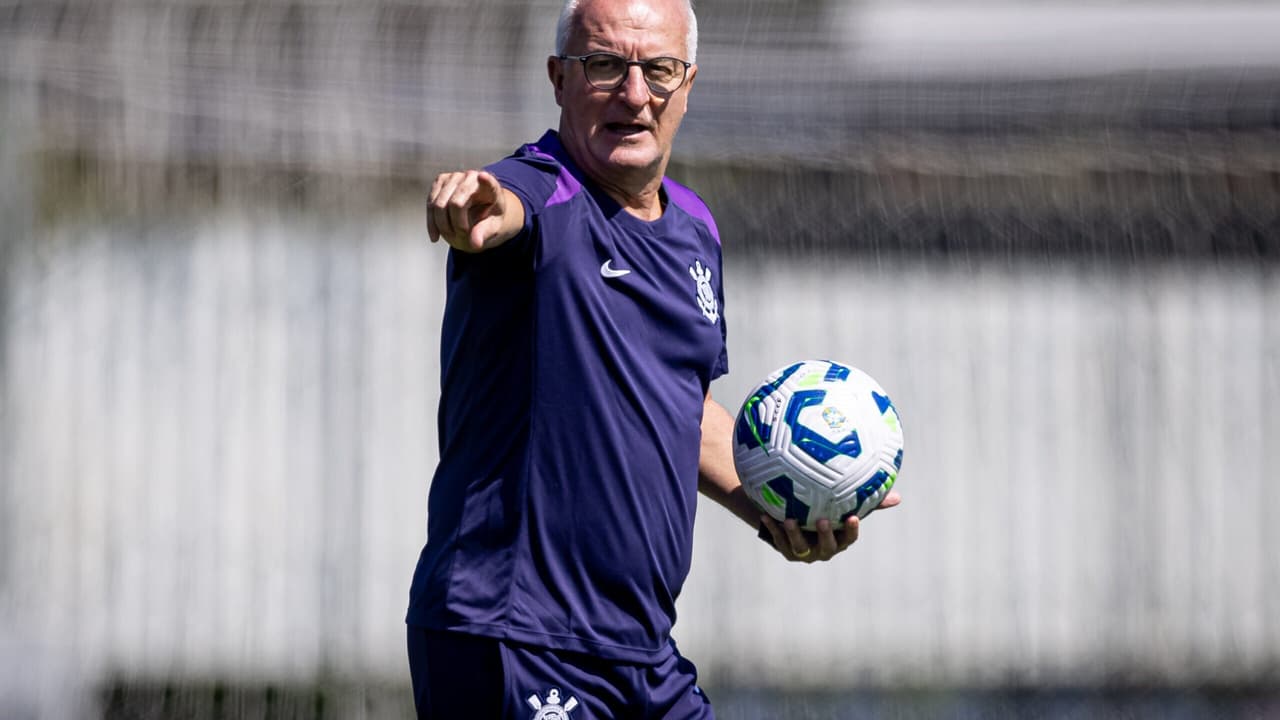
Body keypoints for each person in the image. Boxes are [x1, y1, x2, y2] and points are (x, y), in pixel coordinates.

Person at [407, 0, 900, 716]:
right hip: (514, 637)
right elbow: (505, 204)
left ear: (687, 84)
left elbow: (681, 411)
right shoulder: (542, 193)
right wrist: (475, 204)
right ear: (559, 79)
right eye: (605, 66)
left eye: (659, 69)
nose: (634, 94)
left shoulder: (695, 227)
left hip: (640, 650)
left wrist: (784, 508)